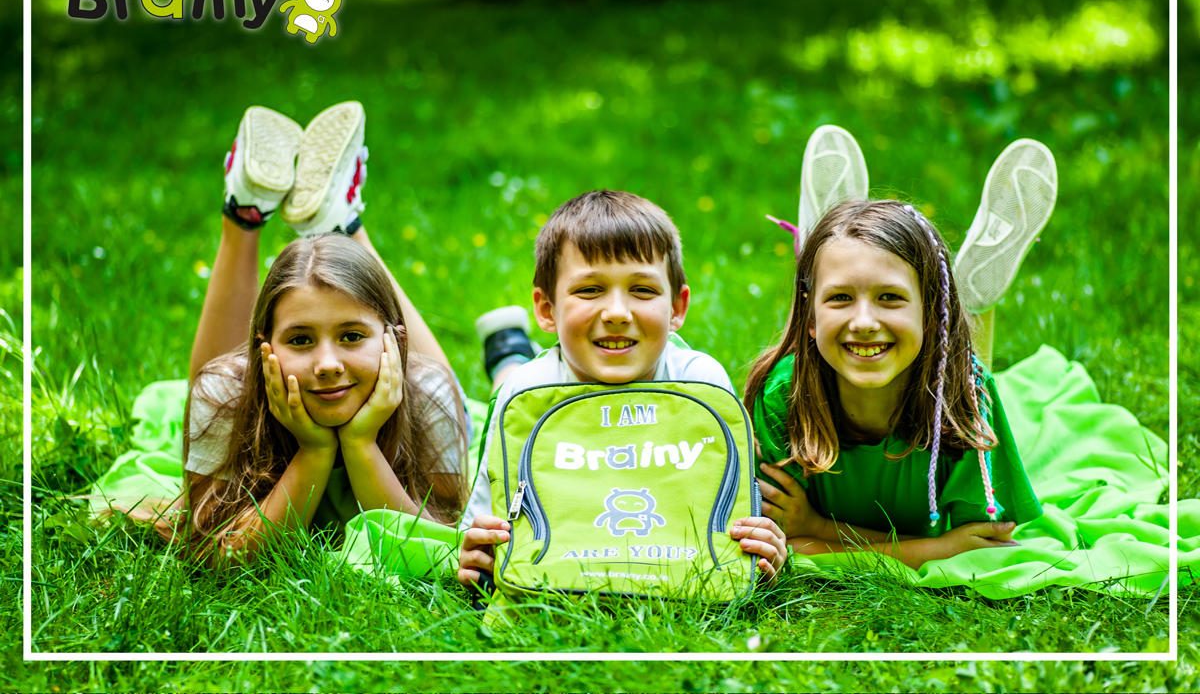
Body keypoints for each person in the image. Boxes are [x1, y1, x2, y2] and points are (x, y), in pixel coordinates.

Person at [746, 126, 1054, 569]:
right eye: (840, 297)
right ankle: (833, 247)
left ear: (929, 313)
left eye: (889, 297)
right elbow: (780, 540)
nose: (864, 322)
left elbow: (986, 546)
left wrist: (819, 529)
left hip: (944, 373)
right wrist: (936, 549)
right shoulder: (784, 395)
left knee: (962, 368)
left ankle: (966, 302)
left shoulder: (968, 396)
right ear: (809, 319)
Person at [180, 101, 469, 562]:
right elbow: (217, 557)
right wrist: (314, 451)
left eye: (351, 336)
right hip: (241, 390)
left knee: (434, 382)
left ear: (394, 343)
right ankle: (270, 215)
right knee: (221, 384)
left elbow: (437, 547)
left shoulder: (427, 392)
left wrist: (359, 442)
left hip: (415, 383)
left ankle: (267, 212)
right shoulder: (224, 391)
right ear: (263, 348)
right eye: (299, 340)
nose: (328, 365)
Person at [456, 190, 787, 587]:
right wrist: (478, 550)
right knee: (509, 378)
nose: (616, 313)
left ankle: (510, 348)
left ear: (677, 308)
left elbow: (731, 509)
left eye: (642, 290)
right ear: (546, 310)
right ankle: (507, 353)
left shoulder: (702, 385)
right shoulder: (524, 394)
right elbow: (480, 524)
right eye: (589, 290)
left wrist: (760, 544)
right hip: (528, 376)